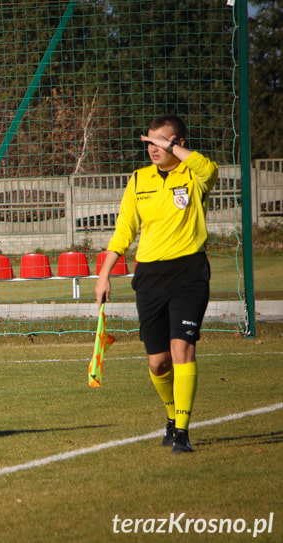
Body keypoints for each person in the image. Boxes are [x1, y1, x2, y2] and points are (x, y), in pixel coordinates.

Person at [95, 114, 218, 454]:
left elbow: (210, 169)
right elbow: (124, 231)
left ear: (177, 143)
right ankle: (170, 415)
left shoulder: (194, 175)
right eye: (149, 142)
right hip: (149, 277)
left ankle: (182, 431)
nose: (152, 148)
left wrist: (174, 148)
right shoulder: (138, 180)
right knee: (158, 362)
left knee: (182, 348)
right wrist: (104, 274)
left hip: (189, 274)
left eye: (160, 142)